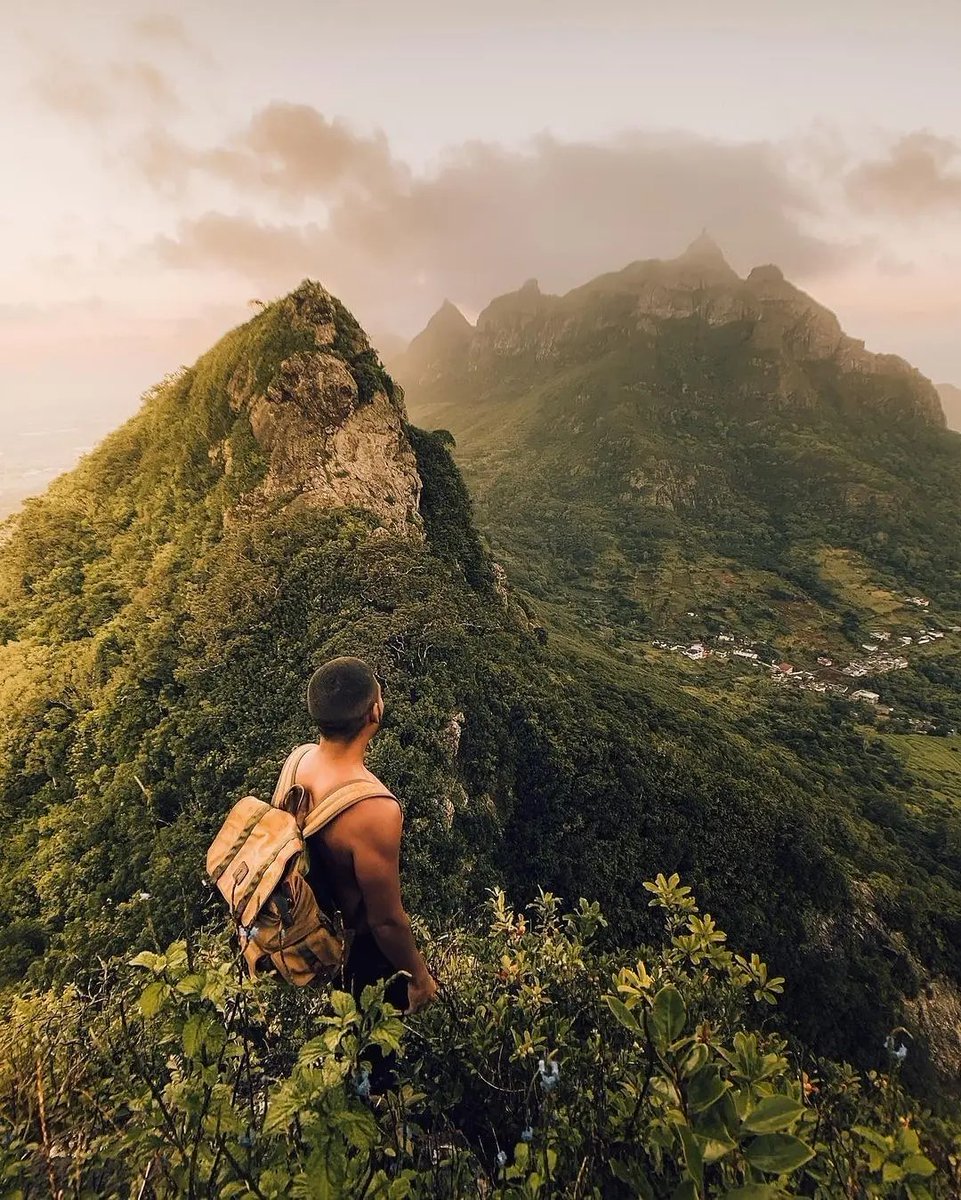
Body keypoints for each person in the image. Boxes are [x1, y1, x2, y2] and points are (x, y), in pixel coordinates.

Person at [295, 656, 438, 1033]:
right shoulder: (375, 810)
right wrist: (420, 978)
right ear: (375, 712)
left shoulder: (298, 762)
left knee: (344, 1036)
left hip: (316, 933)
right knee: (376, 1059)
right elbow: (386, 920)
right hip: (361, 956)